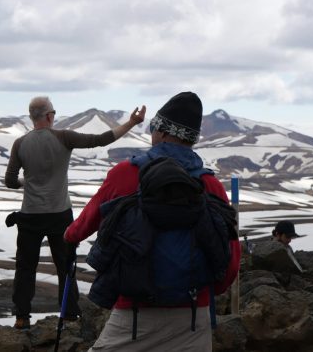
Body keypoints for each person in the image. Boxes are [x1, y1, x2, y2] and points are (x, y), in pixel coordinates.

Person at [64, 92, 241, 351]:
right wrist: (205, 292)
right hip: (193, 314)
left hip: (134, 312)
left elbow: (82, 226)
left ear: (162, 133)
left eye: (153, 128)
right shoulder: (209, 184)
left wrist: (68, 237)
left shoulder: (125, 174)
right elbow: (230, 258)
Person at [4, 96, 146, 329]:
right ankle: (69, 314)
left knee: (25, 267)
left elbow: (10, 181)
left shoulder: (20, 143)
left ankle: (21, 317)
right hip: (60, 214)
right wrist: (131, 123)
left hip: (29, 215)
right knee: (65, 266)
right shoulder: (64, 137)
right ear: (49, 116)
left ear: (32, 117)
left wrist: (27, 182)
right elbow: (101, 140)